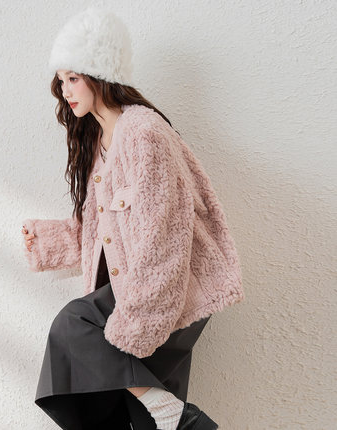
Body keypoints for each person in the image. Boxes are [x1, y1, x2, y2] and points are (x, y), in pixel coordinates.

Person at [21, 6, 244, 430]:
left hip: (170, 293)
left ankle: (173, 414)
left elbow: (166, 234)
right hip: (142, 290)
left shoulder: (143, 133)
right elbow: (105, 230)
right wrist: (48, 241)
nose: (65, 91)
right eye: (61, 81)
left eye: (74, 78)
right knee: (149, 421)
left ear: (100, 73)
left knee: (73, 324)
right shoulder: (100, 141)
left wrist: (140, 318)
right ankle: (176, 416)